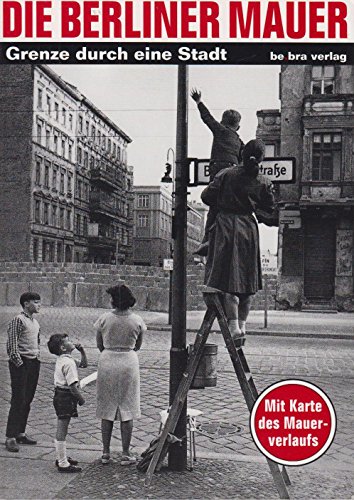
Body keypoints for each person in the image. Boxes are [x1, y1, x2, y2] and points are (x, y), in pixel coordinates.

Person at [201, 139, 277, 342]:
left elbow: (206, 197)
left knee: (228, 280)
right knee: (247, 280)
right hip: (248, 229)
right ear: (261, 159)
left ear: (241, 155)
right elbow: (270, 208)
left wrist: (224, 200)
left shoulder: (225, 174)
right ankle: (242, 326)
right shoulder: (264, 181)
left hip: (225, 226)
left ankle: (233, 326)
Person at [95, 284, 146, 466]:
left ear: (114, 300)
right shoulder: (137, 320)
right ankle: (125, 452)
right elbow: (138, 345)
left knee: (106, 408)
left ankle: (105, 452)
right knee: (128, 407)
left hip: (107, 360)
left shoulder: (104, 319)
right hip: (128, 362)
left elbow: (99, 344)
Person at [191, 88, 244, 255]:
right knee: (227, 207)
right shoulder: (238, 140)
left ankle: (207, 240)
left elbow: (207, 118)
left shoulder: (220, 131)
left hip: (219, 173)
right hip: (234, 175)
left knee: (213, 206)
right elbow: (245, 157)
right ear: (238, 126)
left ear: (223, 122)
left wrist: (199, 102)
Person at [5, 292, 42, 453]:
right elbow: (12, 346)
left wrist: (36, 358)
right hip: (21, 363)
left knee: (27, 398)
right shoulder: (18, 321)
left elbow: (37, 341)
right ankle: (10, 436)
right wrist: (20, 365)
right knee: (18, 398)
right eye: (36, 302)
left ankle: (20, 432)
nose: (39, 305)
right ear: (26, 304)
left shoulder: (35, 322)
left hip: (33, 362)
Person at [47, 333, 88, 473]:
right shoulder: (69, 363)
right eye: (68, 341)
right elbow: (72, 386)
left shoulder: (64, 359)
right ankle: (63, 462)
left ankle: (61, 456)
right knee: (62, 429)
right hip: (65, 396)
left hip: (60, 394)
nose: (72, 342)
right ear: (63, 347)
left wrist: (82, 351)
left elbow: (83, 364)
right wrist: (81, 399)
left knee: (62, 427)